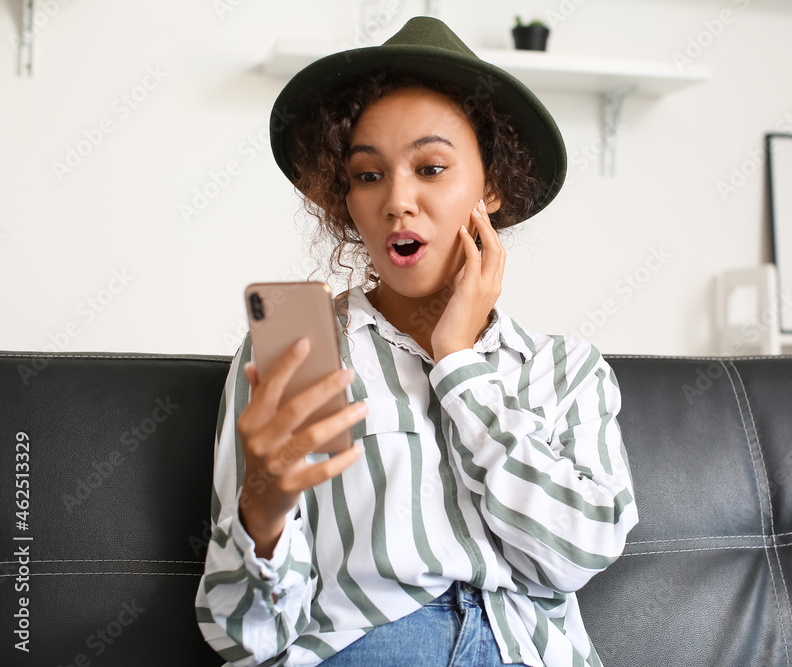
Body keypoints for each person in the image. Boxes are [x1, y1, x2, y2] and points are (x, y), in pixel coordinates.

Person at [196, 16, 637, 667]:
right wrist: (262, 513)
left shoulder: (566, 369)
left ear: (490, 187)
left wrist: (459, 363)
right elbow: (245, 638)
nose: (397, 200)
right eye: (368, 175)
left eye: (430, 168)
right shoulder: (294, 349)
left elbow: (579, 553)